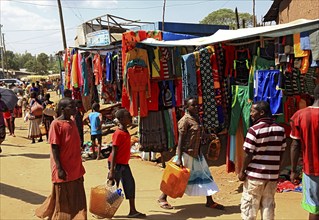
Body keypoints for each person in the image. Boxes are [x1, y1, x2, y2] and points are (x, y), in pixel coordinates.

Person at [158, 97, 224, 210]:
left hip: (197, 154)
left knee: (205, 175)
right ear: (186, 107)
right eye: (193, 105)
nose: (196, 107)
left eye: (197, 105)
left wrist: (209, 137)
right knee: (175, 177)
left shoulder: (197, 118)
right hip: (186, 154)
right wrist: (178, 158)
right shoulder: (185, 121)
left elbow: (199, 135)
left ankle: (210, 201)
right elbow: (180, 141)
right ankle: (162, 197)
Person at [35, 98, 87, 219]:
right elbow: (54, 147)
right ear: (63, 109)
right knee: (63, 200)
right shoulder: (56, 124)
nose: (75, 109)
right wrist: (59, 168)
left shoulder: (72, 122)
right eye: (71, 107)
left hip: (75, 166)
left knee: (77, 197)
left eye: (75, 106)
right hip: (63, 166)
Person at [238, 101, 286, 220]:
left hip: (255, 175)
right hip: (272, 176)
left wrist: (242, 171)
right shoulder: (280, 130)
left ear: (262, 112)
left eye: (253, 111)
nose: (251, 114)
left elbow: (248, 153)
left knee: (250, 207)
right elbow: (282, 151)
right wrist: (277, 168)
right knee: (268, 206)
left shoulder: (254, 130)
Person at [108, 108, 146, 218]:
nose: (130, 117)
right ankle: (105, 209)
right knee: (113, 188)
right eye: (127, 116)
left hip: (124, 164)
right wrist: (112, 170)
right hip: (116, 164)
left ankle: (132, 210)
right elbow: (114, 151)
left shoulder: (125, 131)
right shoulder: (118, 133)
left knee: (130, 185)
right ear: (120, 119)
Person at [290, 85, 319, 220]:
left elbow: (295, 145)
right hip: (310, 169)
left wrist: (293, 170)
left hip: (311, 169)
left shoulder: (300, 115)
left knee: (314, 208)